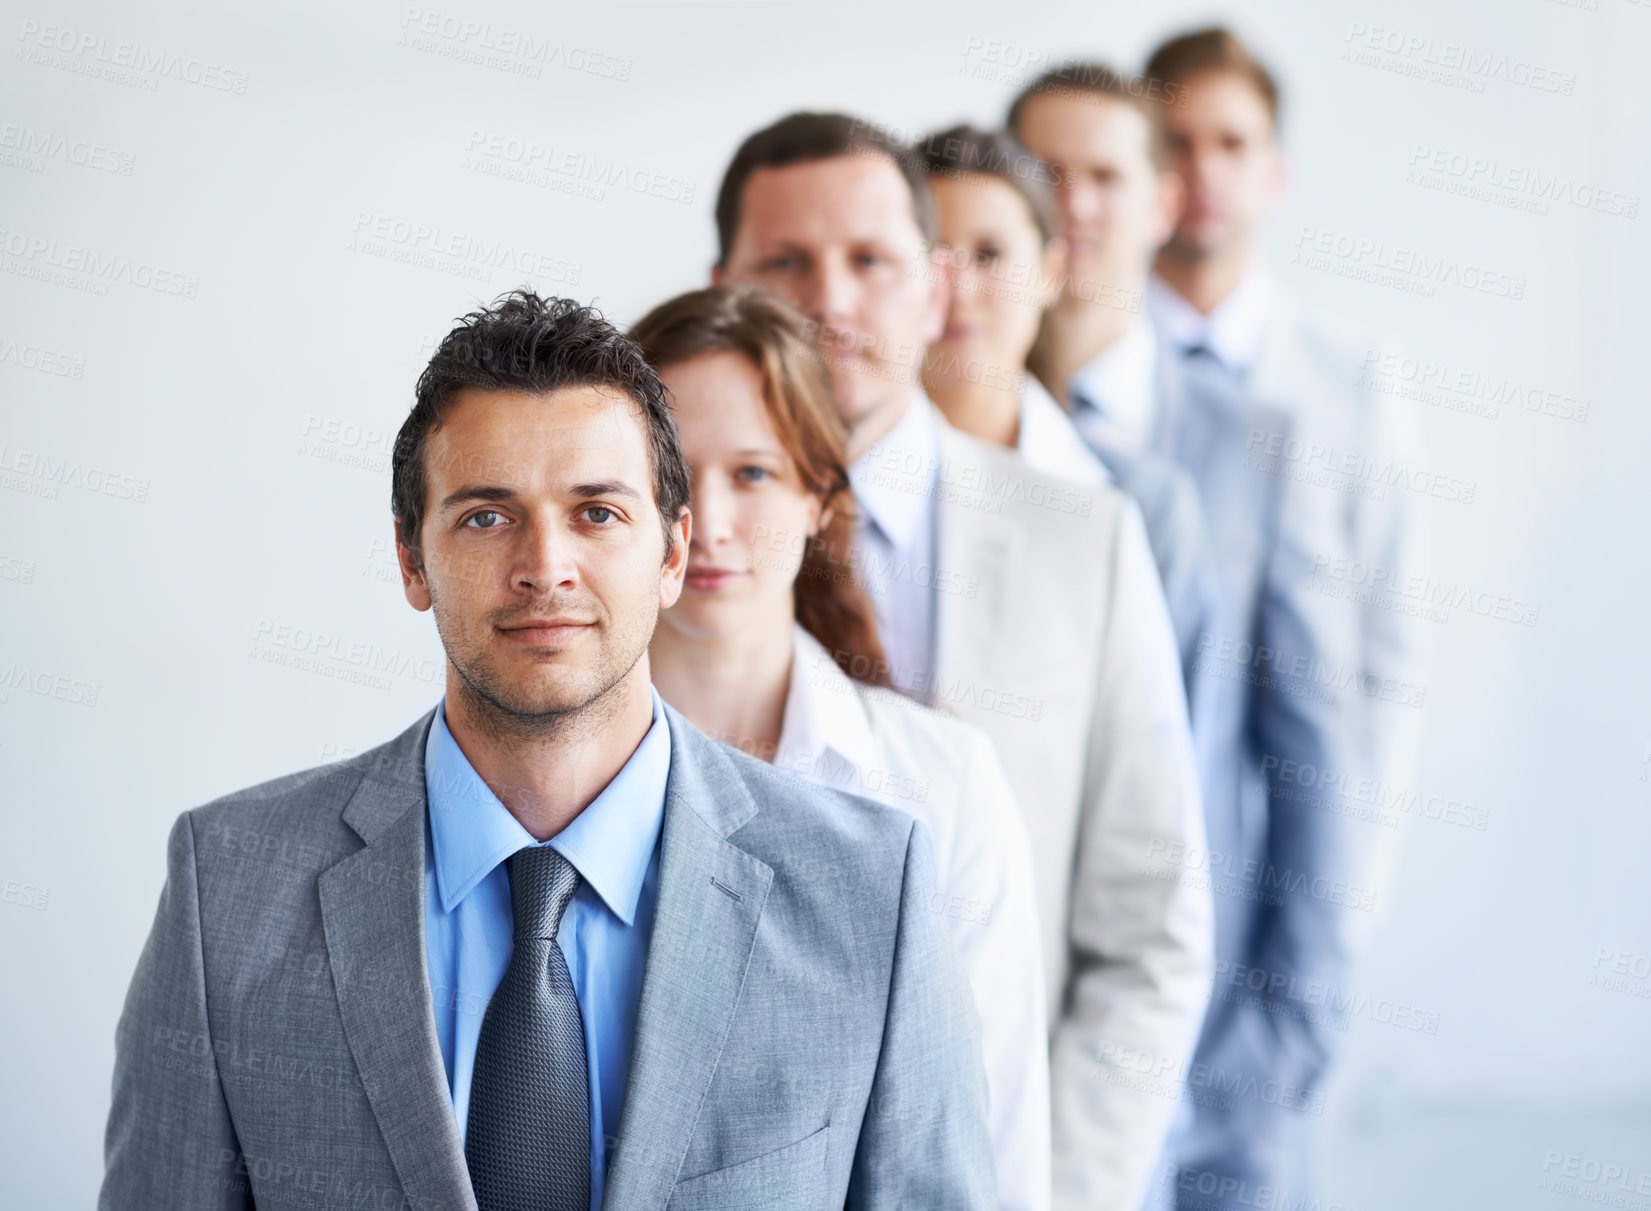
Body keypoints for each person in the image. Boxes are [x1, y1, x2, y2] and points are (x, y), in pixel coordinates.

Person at [99, 290, 996, 1211]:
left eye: (597, 513)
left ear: (672, 553)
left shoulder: (868, 893)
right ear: (412, 559)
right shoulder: (232, 889)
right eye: (487, 515)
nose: (545, 566)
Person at [712, 110, 1214, 1211]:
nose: (828, 299)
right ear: (722, 286)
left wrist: (1060, 1192)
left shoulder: (1086, 538)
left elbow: (1150, 930)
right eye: (784, 261)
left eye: (870, 261)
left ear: (935, 288)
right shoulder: (656, 548)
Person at [1011, 51, 1386, 1209]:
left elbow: (1319, 750)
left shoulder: (1259, 444)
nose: (1073, 205)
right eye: (1044, 174)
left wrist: (1285, 1032)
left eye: (1106, 176)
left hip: (1211, 1040)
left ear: (1161, 200)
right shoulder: (949, 436)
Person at [633, 283, 1050, 1211]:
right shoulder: (544, 773)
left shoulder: (940, 783)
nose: (705, 520)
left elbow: (997, 1145)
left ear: (821, 494)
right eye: (669, 476)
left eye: (753, 472)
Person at [1144, 26, 1426, 811]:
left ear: (1275, 171)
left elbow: (1387, 643)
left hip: (1278, 845)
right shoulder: (1083, 367)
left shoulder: (1355, 379)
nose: (1203, 169)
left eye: (1232, 144)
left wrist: (1347, 896)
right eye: (1176, 142)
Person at [916, 120, 1227, 713]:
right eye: (930, 257)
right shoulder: (825, 489)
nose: (957, 289)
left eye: (990, 254)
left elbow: (1168, 757)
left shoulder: (1143, 505)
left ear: (1050, 272)